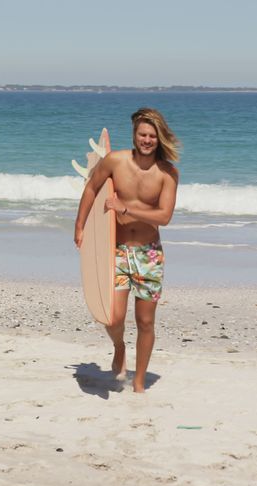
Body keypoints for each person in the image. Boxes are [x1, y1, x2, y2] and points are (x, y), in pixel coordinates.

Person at [74, 108, 180, 393]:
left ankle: (140, 381)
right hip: (117, 250)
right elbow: (91, 189)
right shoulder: (115, 161)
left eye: (152, 136)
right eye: (142, 134)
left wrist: (126, 207)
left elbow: (164, 216)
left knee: (145, 322)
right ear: (134, 135)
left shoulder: (168, 173)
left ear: (159, 138)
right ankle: (119, 347)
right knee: (114, 317)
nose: (147, 140)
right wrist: (80, 226)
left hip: (149, 254)